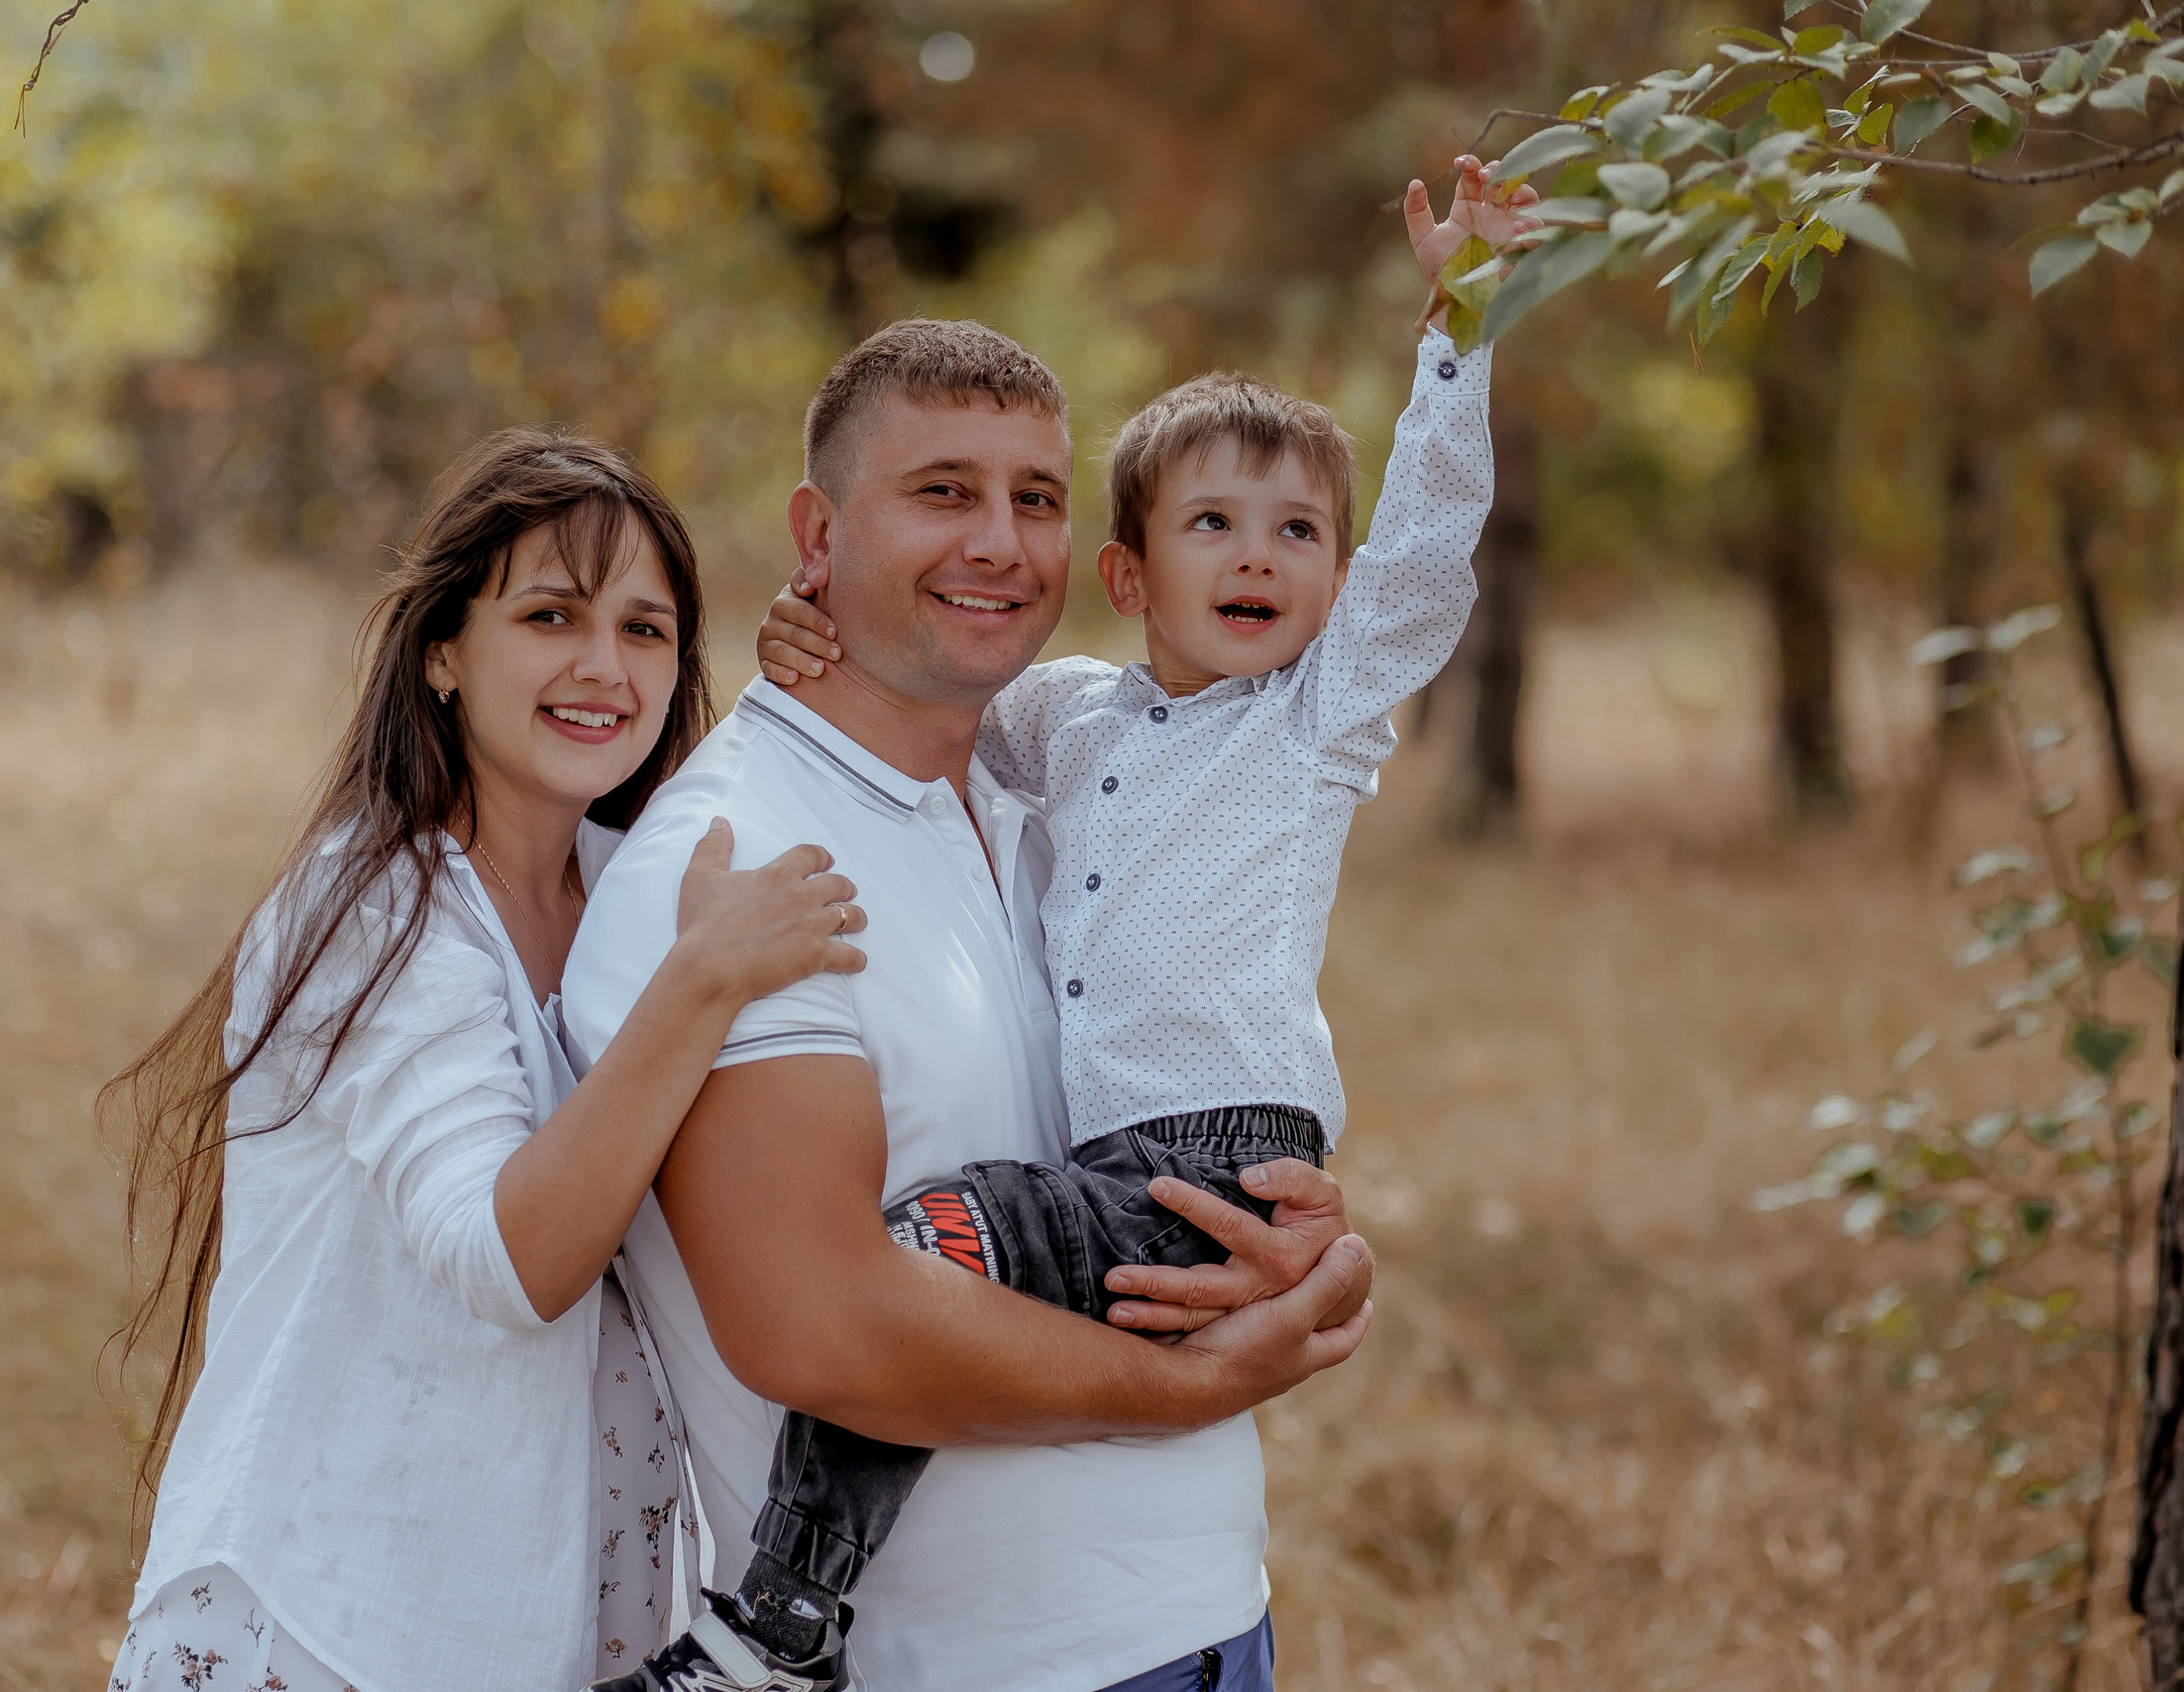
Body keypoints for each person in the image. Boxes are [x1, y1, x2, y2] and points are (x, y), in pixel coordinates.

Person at [718, 155, 1538, 1667]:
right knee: (943, 1286)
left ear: (1334, 584)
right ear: (1130, 572)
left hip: (1222, 1148)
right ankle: (813, 1602)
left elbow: (1427, 554)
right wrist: (813, 628)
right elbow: (935, 694)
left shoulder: (1313, 719)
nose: (1258, 556)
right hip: (1109, 1160)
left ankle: (779, 1608)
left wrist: (1462, 323)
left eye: (1299, 534)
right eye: (1215, 524)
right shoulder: (1066, 717)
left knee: (928, 1246)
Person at [560, 313, 1381, 1688]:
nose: (999, 541)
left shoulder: (1061, 802)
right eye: (943, 491)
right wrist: (1199, 1380)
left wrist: (1312, 1255)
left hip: (1211, 1625)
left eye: (1036, 498)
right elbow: (814, 1321)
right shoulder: (746, 864)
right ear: (816, 537)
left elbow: (1181, 1119)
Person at [101, 430, 870, 1692]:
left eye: (644, 629)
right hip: (332, 1623)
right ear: (444, 651)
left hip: (557, 1625)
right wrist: (703, 983)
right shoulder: (373, 910)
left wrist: (807, 683)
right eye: (550, 615)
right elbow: (509, 1260)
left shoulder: (634, 892)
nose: (601, 667)